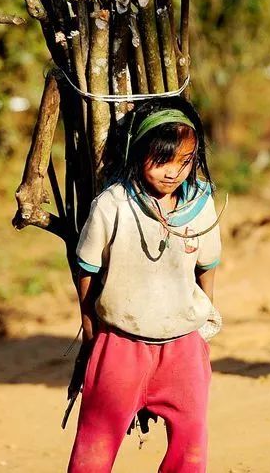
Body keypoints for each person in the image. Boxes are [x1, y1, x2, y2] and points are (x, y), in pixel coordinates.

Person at [68, 97, 223, 473]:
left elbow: (207, 266)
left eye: (184, 161)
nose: (173, 172)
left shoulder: (202, 203)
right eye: (162, 160)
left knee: (191, 444)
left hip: (183, 346)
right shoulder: (112, 205)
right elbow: (86, 268)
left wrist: (202, 323)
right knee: (95, 443)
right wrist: (91, 331)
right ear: (138, 154)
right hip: (120, 346)